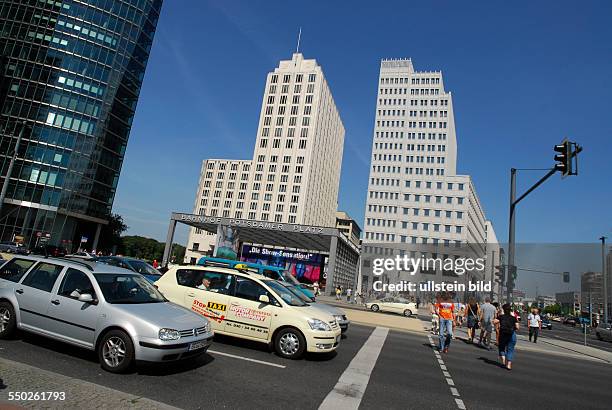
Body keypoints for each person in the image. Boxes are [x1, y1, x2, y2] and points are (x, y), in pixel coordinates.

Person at [495, 303, 519, 370]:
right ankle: (509, 365)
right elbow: (517, 327)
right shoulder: (514, 318)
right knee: (510, 349)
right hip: (512, 334)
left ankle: (503, 360)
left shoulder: (501, 316)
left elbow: (494, 321)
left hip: (503, 334)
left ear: (504, 310)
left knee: (501, 347)